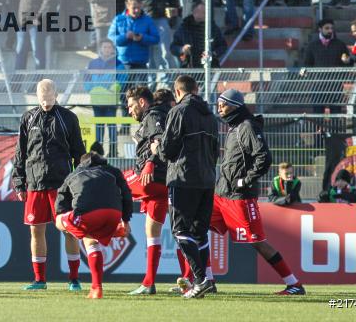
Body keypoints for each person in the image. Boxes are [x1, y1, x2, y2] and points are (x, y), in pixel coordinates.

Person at [212, 89, 305, 295]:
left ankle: (294, 284)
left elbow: (264, 157)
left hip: (239, 197)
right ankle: (206, 280)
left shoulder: (247, 127)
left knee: (258, 242)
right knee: (196, 228)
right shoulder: (234, 127)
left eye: (223, 104)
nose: (219, 108)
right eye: (218, 104)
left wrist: (245, 180)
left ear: (235, 105)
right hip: (221, 195)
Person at [12, 79, 86, 291]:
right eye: (42, 99)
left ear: (56, 95)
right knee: (36, 231)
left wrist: (79, 181)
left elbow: (78, 152)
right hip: (34, 184)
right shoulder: (28, 117)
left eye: (49, 98)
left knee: (69, 230)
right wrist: (19, 182)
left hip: (61, 185)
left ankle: (74, 279)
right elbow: (20, 153)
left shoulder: (68, 118)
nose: (46, 103)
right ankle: (39, 280)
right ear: (37, 96)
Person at [158, 75, 218, 299]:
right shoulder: (211, 116)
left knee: (180, 231)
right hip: (207, 179)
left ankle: (200, 280)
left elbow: (167, 150)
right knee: (200, 233)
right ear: (197, 89)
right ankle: (208, 280)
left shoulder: (178, 112)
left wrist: (157, 148)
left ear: (178, 92)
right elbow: (215, 150)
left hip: (183, 179)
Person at [54, 150, 132, 299]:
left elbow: (60, 201)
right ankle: (111, 232)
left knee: (59, 221)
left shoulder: (74, 175)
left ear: (81, 163)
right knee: (91, 240)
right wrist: (126, 221)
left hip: (88, 215)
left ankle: (96, 288)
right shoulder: (113, 171)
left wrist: (66, 214)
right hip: (113, 215)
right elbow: (126, 195)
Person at [123, 85, 169, 295]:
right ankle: (149, 283)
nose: (129, 110)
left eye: (131, 105)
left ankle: (109, 224)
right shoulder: (152, 118)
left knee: (111, 182)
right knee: (153, 233)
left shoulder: (153, 116)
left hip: (151, 178)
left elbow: (160, 141)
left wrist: (150, 161)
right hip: (160, 186)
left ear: (142, 102)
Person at [108, 0, 160, 75]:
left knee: (141, 88)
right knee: (124, 87)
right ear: (127, 5)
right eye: (134, 8)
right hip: (123, 62)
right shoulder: (118, 19)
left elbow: (156, 39)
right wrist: (125, 37)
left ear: (142, 5)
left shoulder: (148, 20)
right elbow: (110, 39)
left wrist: (142, 38)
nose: (136, 11)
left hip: (141, 63)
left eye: (138, 8)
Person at [170, 2, 226, 68]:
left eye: (204, 12)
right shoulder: (184, 28)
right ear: (193, 12)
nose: (200, 14)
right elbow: (173, 48)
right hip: (189, 67)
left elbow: (223, 46)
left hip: (210, 67)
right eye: (198, 12)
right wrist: (182, 49)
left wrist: (213, 53)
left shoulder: (213, 28)